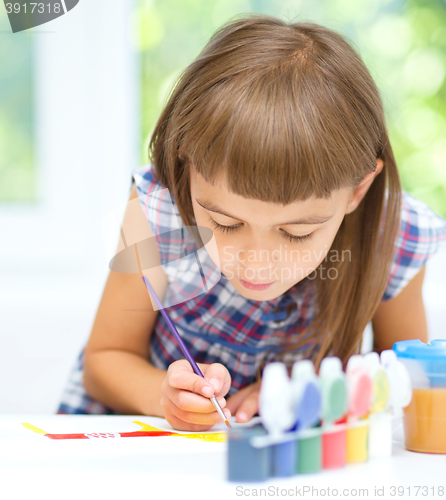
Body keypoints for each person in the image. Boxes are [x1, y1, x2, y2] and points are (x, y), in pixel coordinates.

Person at [57, 14, 446, 431]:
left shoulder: (394, 236)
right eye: (224, 223)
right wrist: (165, 398)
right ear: (188, 171)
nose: (257, 263)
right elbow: (104, 362)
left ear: (357, 190)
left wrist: (311, 393)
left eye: (298, 232)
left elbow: (408, 382)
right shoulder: (158, 211)